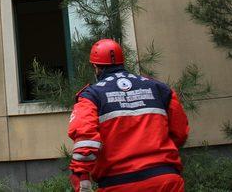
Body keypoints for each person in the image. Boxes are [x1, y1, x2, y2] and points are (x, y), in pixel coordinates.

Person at [68, 39, 189, 192]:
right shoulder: (159, 88)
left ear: (96, 67)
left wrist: (81, 176)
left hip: (119, 183)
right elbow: (180, 132)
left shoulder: (92, 96)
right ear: (122, 61)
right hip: (166, 180)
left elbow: (85, 139)